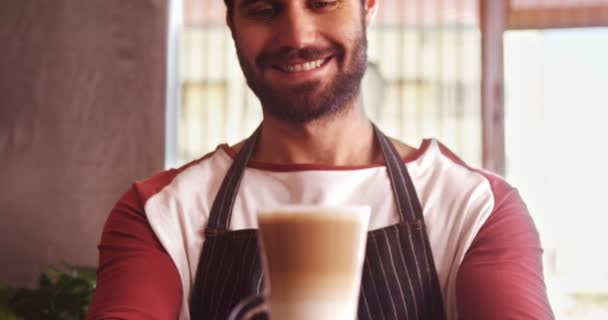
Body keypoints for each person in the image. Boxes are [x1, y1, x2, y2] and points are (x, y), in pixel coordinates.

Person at [87, 0, 554, 319]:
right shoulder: (160, 214)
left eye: (323, 0)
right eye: (264, 8)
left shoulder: (475, 208)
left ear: (368, 6)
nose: (297, 35)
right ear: (231, 22)